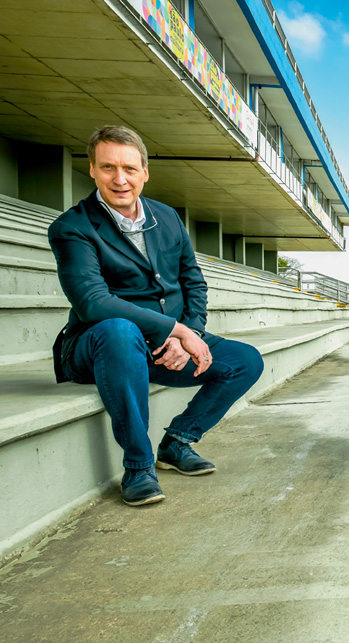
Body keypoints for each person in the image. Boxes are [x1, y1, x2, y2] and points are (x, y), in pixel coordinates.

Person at [47, 125, 264, 506]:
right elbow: (93, 303)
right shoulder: (72, 227)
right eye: (108, 167)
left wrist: (189, 333)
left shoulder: (167, 218)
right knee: (117, 329)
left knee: (245, 360)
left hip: (160, 347)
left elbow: (193, 283)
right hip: (98, 346)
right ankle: (138, 466)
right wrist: (177, 329)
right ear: (93, 169)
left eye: (130, 168)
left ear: (145, 172)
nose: (120, 179)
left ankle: (177, 443)